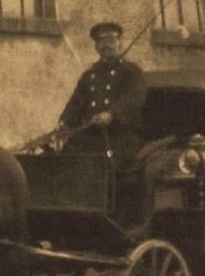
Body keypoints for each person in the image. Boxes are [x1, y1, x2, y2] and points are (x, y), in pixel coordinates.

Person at [55, 22, 149, 229]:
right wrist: (64, 122)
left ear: (120, 42)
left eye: (111, 39)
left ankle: (114, 219)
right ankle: (71, 216)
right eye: (101, 41)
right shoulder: (90, 75)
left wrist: (112, 114)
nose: (106, 45)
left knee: (109, 166)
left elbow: (135, 98)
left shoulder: (131, 72)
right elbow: (76, 103)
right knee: (65, 159)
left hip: (122, 135)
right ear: (96, 47)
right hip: (92, 135)